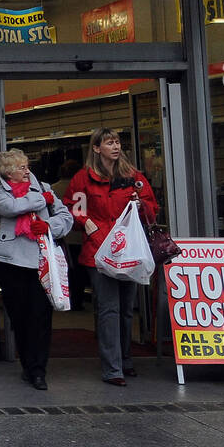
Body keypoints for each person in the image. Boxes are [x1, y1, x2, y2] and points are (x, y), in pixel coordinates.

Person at [69, 128, 159, 386]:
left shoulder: (133, 177)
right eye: (109, 143)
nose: (115, 147)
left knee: (126, 310)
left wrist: (142, 206)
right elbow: (73, 210)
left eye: (117, 142)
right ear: (96, 148)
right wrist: (87, 224)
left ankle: (125, 360)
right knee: (109, 309)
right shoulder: (82, 179)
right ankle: (113, 368)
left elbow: (152, 208)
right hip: (98, 252)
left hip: (127, 251)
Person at [0, 149, 74, 390]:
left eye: (27, 166)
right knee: (19, 316)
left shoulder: (45, 186)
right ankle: (27, 364)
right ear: (7, 173)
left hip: (41, 260)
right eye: (21, 168)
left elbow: (65, 217)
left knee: (40, 316)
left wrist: (48, 226)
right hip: (10, 261)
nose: (27, 171)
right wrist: (42, 199)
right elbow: (12, 208)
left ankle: (38, 370)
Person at [52, 158, 87, 309]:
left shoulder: (53, 189)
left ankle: (63, 298)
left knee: (63, 270)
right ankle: (78, 300)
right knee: (79, 271)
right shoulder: (82, 189)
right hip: (80, 236)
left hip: (62, 237)